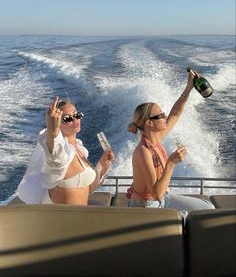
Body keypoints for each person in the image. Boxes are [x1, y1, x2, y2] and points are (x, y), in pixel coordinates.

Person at [127, 70, 215, 214]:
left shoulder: (157, 137)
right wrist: (171, 163)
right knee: (189, 219)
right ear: (149, 123)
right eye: (160, 115)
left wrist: (189, 87)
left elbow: (175, 113)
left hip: (164, 196)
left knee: (207, 208)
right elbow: (155, 194)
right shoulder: (143, 151)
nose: (165, 116)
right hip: (146, 205)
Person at [17, 97, 114, 205]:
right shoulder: (61, 154)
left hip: (81, 216)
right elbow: (55, 160)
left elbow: (87, 188)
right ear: (57, 123)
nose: (74, 119)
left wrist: (102, 163)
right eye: (67, 118)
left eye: (77, 115)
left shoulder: (79, 149)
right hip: (60, 219)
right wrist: (53, 131)